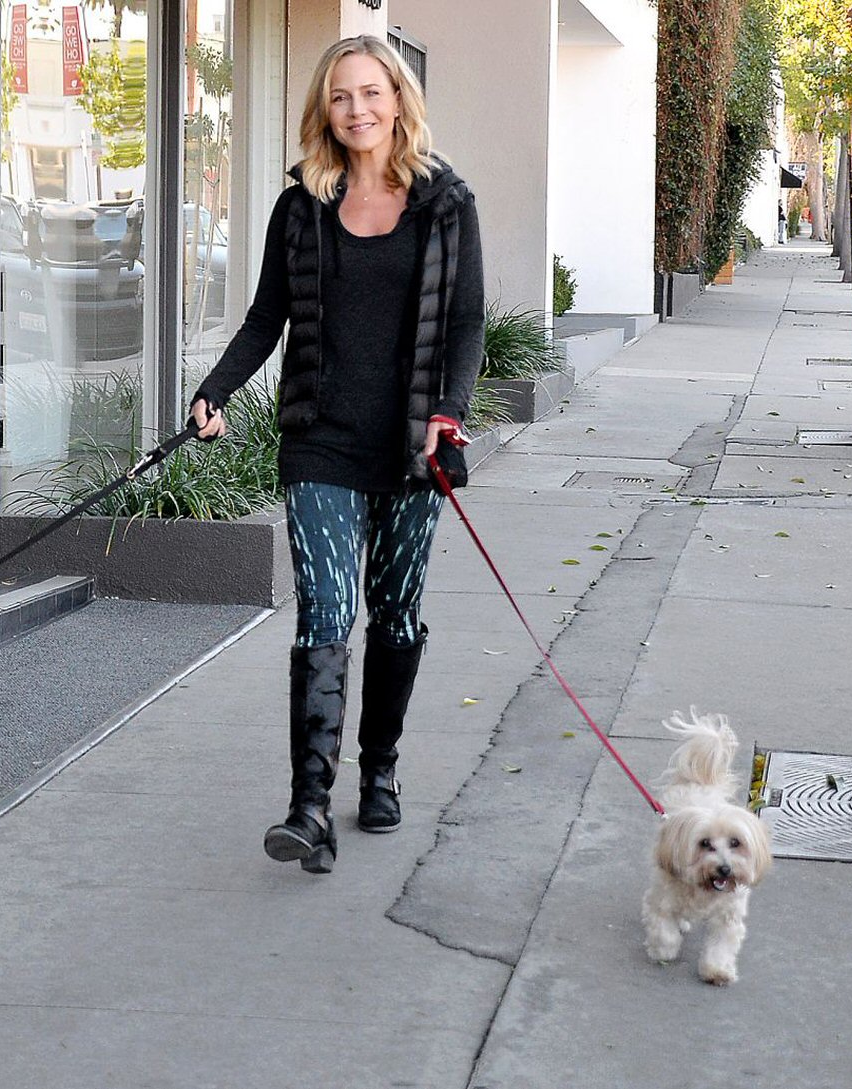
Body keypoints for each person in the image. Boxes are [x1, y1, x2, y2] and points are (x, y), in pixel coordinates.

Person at [189, 35, 484, 875]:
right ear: (326, 109)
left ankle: (380, 767)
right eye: (341, 96)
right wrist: (215, 390)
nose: (357, 109)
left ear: (398, 99)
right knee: (324, 611)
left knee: (393, 613)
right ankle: (309, 805)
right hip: (319, 439)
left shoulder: (445, 202)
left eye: (371, 92)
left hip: (409, 450)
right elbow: (262, 321)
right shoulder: (302, 208)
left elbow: (464, 326)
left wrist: (448, 415)